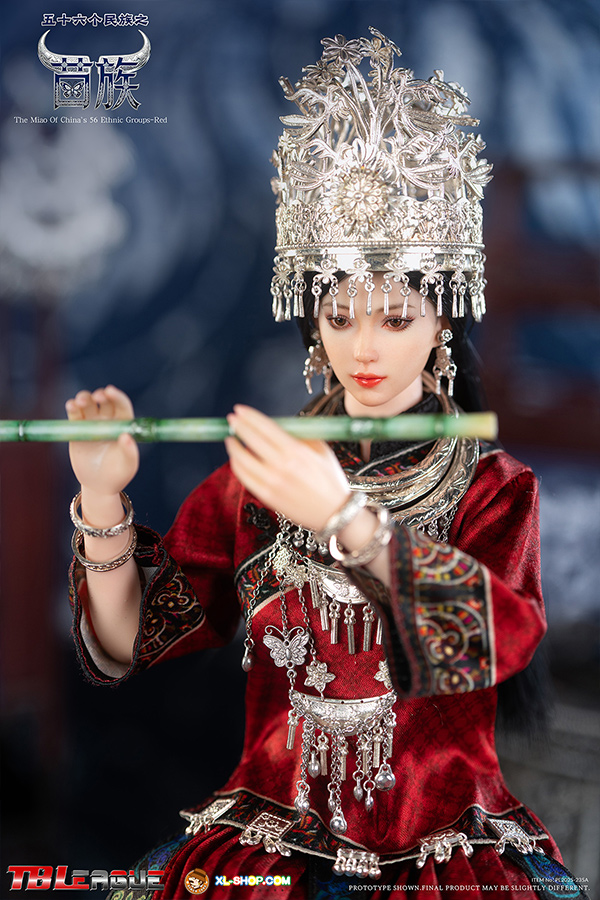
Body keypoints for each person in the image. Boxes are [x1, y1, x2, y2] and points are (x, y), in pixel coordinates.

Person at [66, 29, 583, 900]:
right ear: (314, 326)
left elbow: (495, 641)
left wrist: (345, 520)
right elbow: (123, 646)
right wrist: (102, 495)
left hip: (443, 854)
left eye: (395, 318)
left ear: (443, 323)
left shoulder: (492, 491)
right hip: (271, 843)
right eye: (341, 318)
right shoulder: (259, 483)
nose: (364, 348)